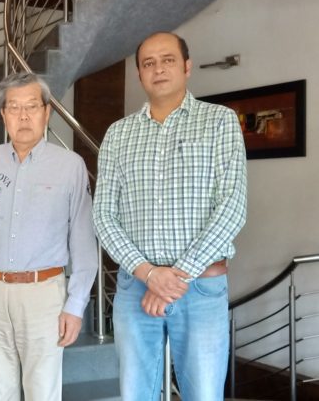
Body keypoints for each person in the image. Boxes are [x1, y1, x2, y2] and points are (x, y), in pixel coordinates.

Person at [93, 32, 247, 400]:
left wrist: (175, 279)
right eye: (148, 63)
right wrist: (149, 274)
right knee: (135, 393)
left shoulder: (219, 122)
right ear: (139, 74)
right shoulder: (118, 134)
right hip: (135, 287)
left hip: (201, 287)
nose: (158, 69)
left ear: (187, 67)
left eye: (168, 60)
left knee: (204, 394)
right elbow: (103, 215)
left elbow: (233, 206)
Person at [0, 72, 98, 401]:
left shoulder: (70, 165)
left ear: (47, 112)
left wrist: (76, 305)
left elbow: (83, 241)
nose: (23, 116)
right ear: (3, 114)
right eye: (14, 107)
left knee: (42, 392)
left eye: (32, 106)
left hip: (44, 294)